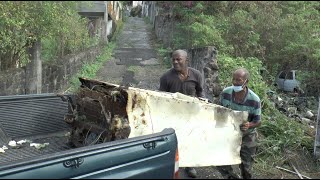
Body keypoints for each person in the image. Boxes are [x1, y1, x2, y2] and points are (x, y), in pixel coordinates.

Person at [159, 49, 204, 178]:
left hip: (190, 115)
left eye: (179, 59)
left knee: (190, 138)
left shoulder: (196, 75)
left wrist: (202, 101)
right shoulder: (166, 77)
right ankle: (173, 166)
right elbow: (160, 98)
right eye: (173, 59)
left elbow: (201, 92)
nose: (175, 62)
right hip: (172, 115)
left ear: (187, 60)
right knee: (174, 140)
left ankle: (190, 165)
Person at [217, 68, 261, 179]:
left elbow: (257, 121)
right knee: (221, 162)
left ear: (246, 81)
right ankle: (231, 177)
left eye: (239, 80)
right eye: (234, 79)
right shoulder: (226, 93)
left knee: (246, 166)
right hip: (229, 132)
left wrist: (249, 125)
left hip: (247, 135)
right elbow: (219, 110)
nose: (235, 82)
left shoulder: (254, 99)